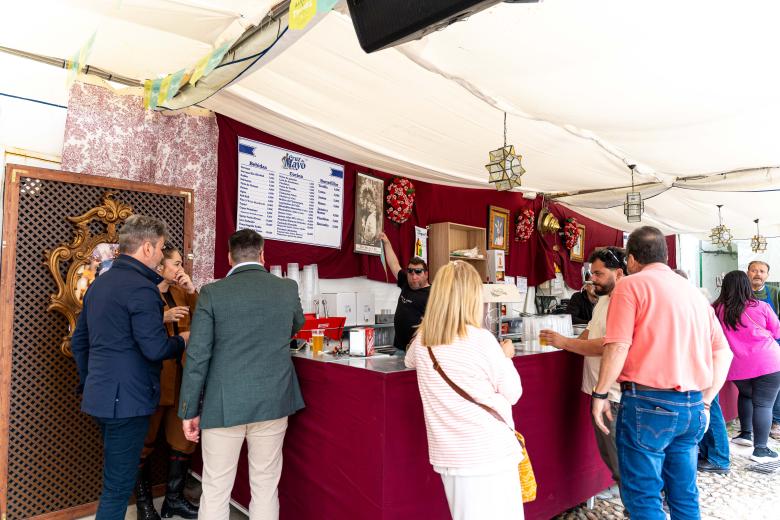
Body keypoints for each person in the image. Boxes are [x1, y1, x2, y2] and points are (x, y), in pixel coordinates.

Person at [592, 226, 732, 520]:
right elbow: (723, 353)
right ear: (665, 256)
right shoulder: (693, 292)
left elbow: (618, 345)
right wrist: (707, 401)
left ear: (631, 260)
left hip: (648, 403)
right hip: (693, 405)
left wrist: (600, 393)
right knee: (683, 493)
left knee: (644, 496)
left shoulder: (630, 285)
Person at [178, 229, 305, 520]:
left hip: (223, 403)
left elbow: (197, 355)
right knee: (265, 486)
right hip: (273, 400)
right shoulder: (287, 288)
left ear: (229, 258)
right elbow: (296, 324)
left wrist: (189, 410)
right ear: (262, 255)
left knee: (216, 487)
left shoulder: (212, 293)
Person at [70, 215, 188, 520]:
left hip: (100, 396)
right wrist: (183, 340)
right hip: (128, 402)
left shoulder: (99, 283)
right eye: (160, 248)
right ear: (147, 248)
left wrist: (92, 381)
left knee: (115, 481)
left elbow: (79, 343)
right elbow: (155, 349)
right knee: (117, 489)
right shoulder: (143, 289)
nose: (161, 255)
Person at [404, 261, 523, 519]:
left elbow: (409, 361)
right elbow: (513, 393)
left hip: (449, 456)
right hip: (490, 450)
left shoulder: (423, 341)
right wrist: (506, 357)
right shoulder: (482, 340)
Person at [540, 247, 626, 497]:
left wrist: (566, 343)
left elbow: (607, 344)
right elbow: (590, 333)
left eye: (599, 274)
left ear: (619, 273)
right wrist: (564, 342)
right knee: (614, 458)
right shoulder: (604, 299)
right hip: (601, 392)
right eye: (591, 273)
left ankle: (640, 509)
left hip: (614, 395)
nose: (592, 279)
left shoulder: (622, 301)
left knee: (622, 463)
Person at [134, 245, 200, 520]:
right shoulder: (143, 292)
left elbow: (204, 320)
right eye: (176, 264)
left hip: (182, 378)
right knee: (142, 442)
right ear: (160, 265)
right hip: (153, 379)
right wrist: (162, 317)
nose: (180, 269)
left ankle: (173, 500)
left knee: (182, 440)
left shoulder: (181, 292)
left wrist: (192, 290)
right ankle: (144, 505)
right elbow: (132, 326)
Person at [714, 270, 780, 462]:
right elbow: (777, 331)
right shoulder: (761, 306)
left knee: (746, 395)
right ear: (746, 286)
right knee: (763, 404)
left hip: (737, 366)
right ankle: (761, 450)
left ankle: (745, 434)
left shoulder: (716, 309)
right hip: (769, 361)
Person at [378, 232, 431, 351]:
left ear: (426, 274)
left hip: (418, 350)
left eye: (418, 272)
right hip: (399, 348)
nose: (414, 276)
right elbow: (394, 264)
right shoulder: (407, 283)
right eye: (410, 271)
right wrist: (386, 242)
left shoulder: (433, 294)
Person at [747, 260, 780, 440]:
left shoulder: (775, 292)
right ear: (748, 273)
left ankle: (776, 421)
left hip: (773, 346)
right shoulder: (741, 292)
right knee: (749, 387)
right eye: (754, 270)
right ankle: (749, 424)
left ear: (767, 275)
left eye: (762, 271)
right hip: (746, 347)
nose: (758, 274)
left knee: (775, 387)